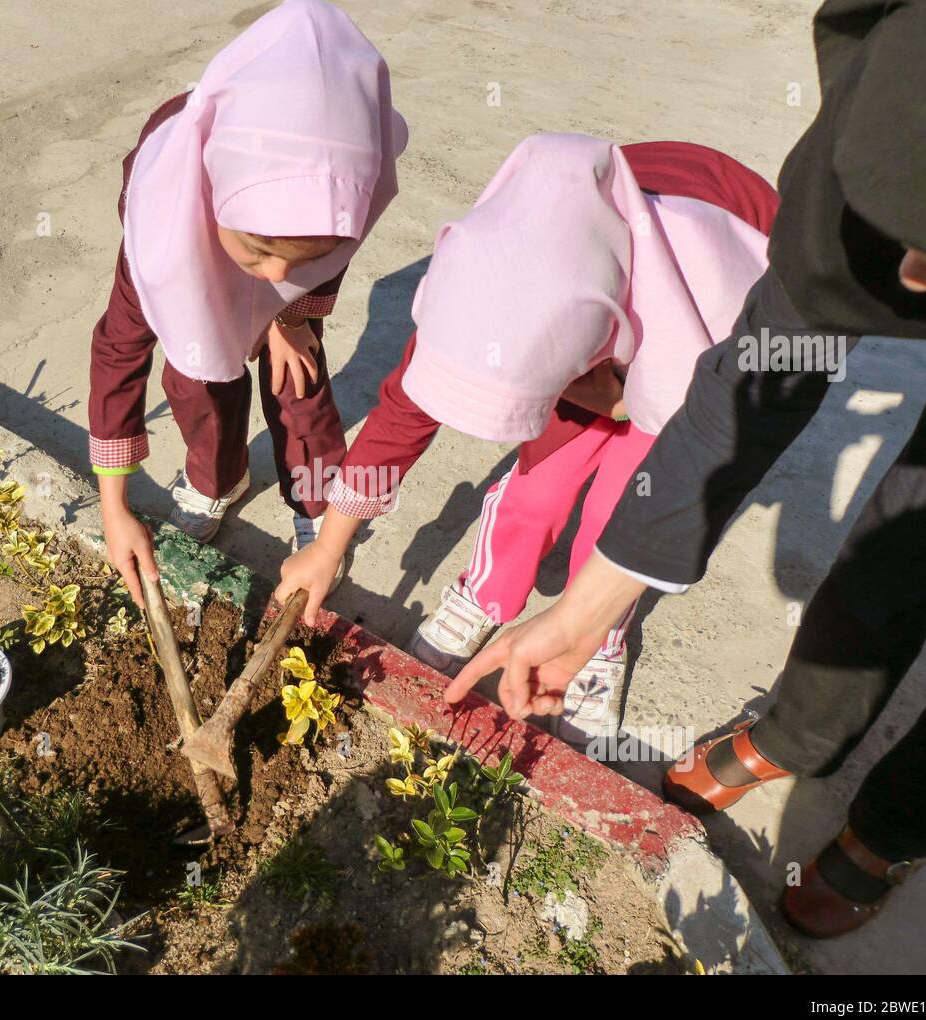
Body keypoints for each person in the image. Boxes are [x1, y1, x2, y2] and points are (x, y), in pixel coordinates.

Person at [447, 0, 926, 937]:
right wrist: (581, 617)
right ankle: (795, 732)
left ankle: (898, 824)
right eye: (896, 244)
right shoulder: (882, 134)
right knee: (917, 521)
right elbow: (755, 383)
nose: (904, 291)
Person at [275, 133, 776, 743]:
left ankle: (601, 632)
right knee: (537, 490)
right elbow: (398, 423)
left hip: (688, 335)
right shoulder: (483, 290)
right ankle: (484, 594)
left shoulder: (718, 318)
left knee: (623, 502)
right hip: (602, 339)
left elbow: (693, 469)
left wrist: (623, 400)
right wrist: (327, 547)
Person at [90, 0, 406, 605]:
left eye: (310, 253)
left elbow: (299, 257)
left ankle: (317, 503)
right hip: (192, 270)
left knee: (299, 384)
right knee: (197, 381)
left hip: (287, 300)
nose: (279, 272)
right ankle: (219, 477)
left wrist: (291, 310)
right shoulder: (160, 234)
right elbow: (117, 351)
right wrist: (115, 506)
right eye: (260, 249)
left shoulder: (335, 171)